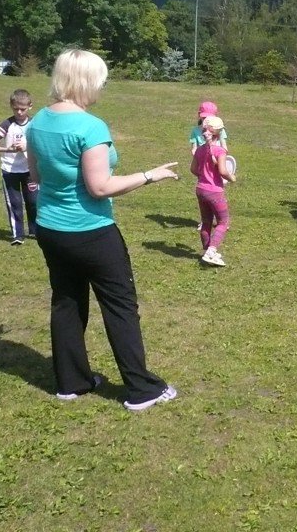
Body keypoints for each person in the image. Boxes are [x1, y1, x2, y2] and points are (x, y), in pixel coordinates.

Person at [26, 49, 179, 411]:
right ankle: (142, 390)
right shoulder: (90, 127)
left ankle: (71, 382)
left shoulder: (37, 122)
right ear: (85, 81)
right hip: (91, 233)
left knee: (66, 301)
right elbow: (100, 187)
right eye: (101, 81)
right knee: (120, 306)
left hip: (50, 229)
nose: (102, 87)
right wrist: (149, 175)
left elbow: (35, 176)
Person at [0, 88, 38, 245]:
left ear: (30, 106)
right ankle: (17, 235)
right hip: (10, 170)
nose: (19, 112)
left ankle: (35, 231)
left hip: (30, 170)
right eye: (16, 109)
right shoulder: (7, 124)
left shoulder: (34, 125)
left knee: (33, 202)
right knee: (14, 203)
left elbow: (43, 145)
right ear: (11, 106)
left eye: (23, 109)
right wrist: (8, 149)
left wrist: (27, 147)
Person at [190, 115, 237, 266]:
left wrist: (203, 176)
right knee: (223, 221)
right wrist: (232, 178)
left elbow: (193, 169)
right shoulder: (220, 151)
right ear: (219, 132)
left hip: (200, 189)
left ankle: (206, 250)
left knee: (206, 222)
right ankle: (211, 251)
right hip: (215, 192)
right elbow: (223, 171)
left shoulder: (199, 150)